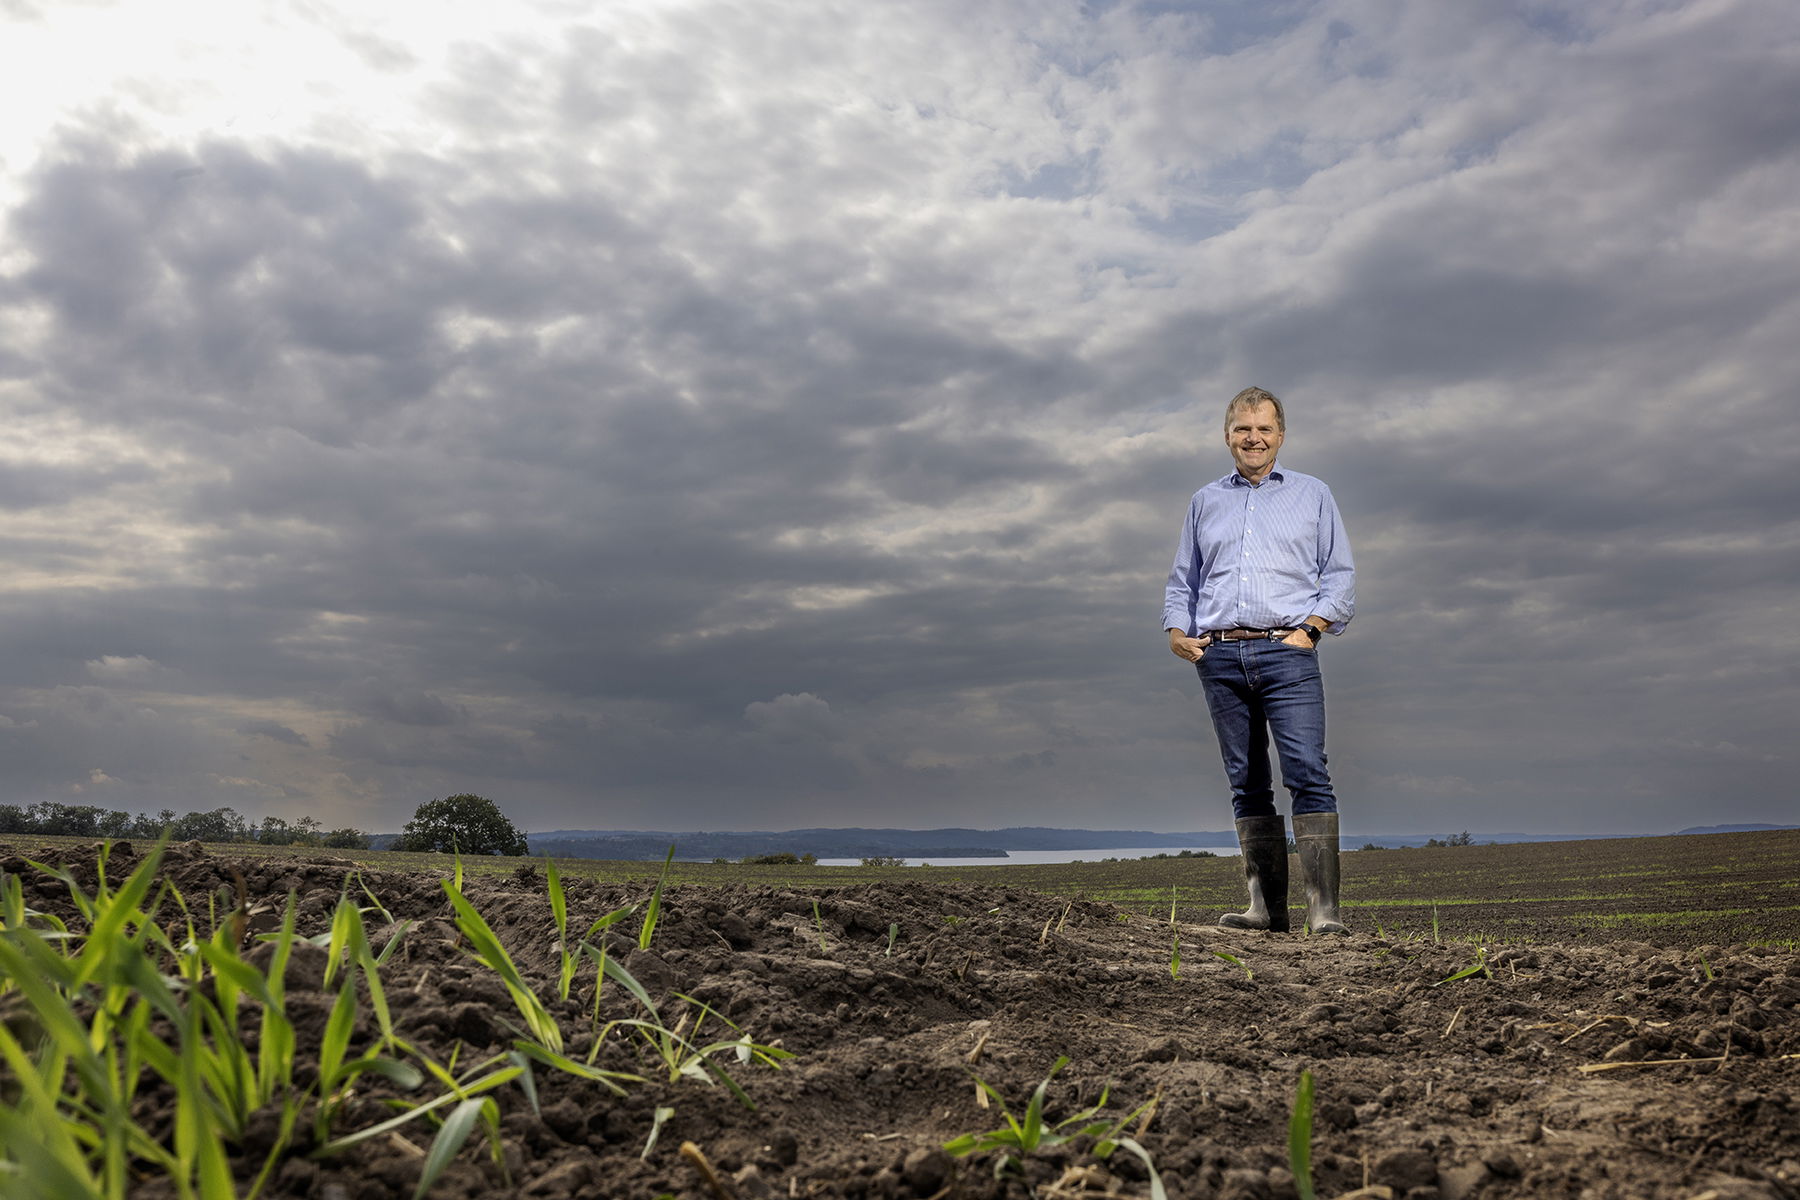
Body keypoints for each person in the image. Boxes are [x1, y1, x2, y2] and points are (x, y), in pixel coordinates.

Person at [1162, 387, 1355, 935]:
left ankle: (1324, 913)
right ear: (1228, 435)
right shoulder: (1204, 501)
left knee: (1307, 772)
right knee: (1246, 780)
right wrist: (1178, 631)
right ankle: (1266, 910)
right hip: (1219, 655)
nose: (1253, 438)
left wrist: (1312, 630)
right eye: (1243, 429)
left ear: (1280, 435)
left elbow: (1339, 577)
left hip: (1287, 652)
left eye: (1264, 429)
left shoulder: (1314, 494)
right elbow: (1184, 580)